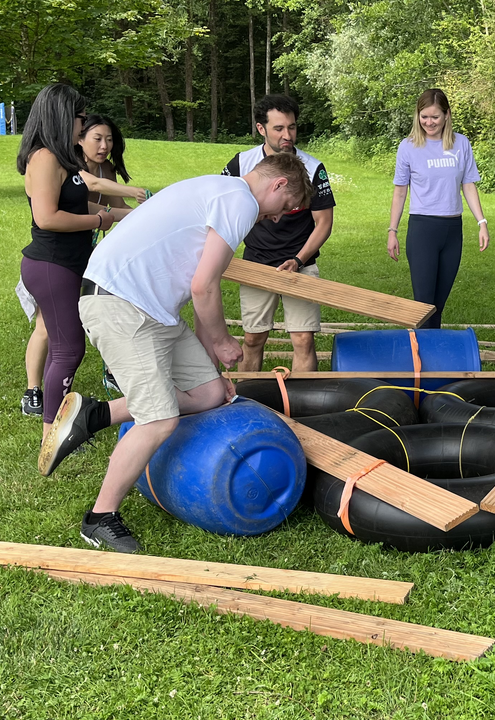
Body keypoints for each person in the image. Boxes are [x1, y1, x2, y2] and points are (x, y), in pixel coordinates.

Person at [36, 152, 309, 553]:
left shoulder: (218, 189)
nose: (275, 218)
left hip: (153, 310)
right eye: (283, 208)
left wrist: (212, 364)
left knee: (211, 394)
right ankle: (99, 518)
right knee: (159, 420)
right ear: (278, 184)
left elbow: (202, 292)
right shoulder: (241, 201)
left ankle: (95, 415)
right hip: (121, 303)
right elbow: (204, 287)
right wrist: (222, 342)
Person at [17, 85, 131, 440]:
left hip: (66, 263)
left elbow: (78, 205)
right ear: (62, 116)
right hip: (52, 265)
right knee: (69, 349)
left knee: (66, 346)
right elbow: (48, 217)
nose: (83, 124)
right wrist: (100, 222)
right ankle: (54, 434)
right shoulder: (45, 158)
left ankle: (55, 425)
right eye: (81, 117)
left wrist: (116, 213)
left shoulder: (61, 157)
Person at [223, 95, 335, 372]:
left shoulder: (313, 168)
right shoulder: (240, 165)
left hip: (301, 265)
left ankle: (299, 405)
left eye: (292, 127)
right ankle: (249, 403)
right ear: (261, 128)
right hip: (256, 263)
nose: (288, 135)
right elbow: (223, 213)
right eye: (279, 128)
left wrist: (298, 260)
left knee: (303, 339)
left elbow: (324, 223)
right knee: (253, 338)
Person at [387, 88, 489, 329]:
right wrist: (393, 230)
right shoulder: (408, 147)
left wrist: (481, 222)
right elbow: (400, 191)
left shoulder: (461, 143)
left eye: (435, 117)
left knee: (438, 305)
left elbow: (468, 184)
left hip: (452, 230)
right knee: (423, 304)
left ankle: (432, 355)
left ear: (446, 115)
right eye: (424, 116)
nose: (429, 122)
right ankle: (420, 357)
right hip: (423, 229)